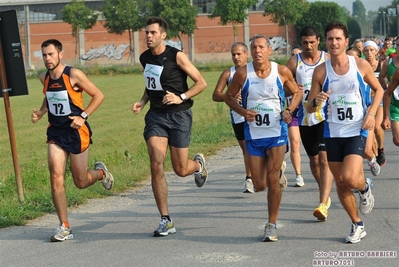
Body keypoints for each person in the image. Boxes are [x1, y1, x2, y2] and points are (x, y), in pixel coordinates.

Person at [307, 21, 383, 244]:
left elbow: (379, 90)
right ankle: (357, 224)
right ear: (326, 42)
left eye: (338, 38)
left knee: (349, 178)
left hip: (356, 129)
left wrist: (370, 114)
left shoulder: (359, 65)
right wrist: (316, 101)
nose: (334, 42)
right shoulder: (321, 71)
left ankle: (365, 186)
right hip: (332, 132)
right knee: (340, 183)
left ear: (346, 41)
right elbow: (309, 106)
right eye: (330, 38)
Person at [131, 17, 208, 237]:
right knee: (156, 164)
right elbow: (150, 84)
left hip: (179, 115)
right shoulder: (144, 57)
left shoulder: (176, 56)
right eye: (146, 32)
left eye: (153, 33)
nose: (148, 36)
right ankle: (165, 219)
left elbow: (201, 83)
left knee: (180, 169)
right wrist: (142, 102)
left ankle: (198, 165)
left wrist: (181, 97)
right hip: (156, 116)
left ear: (163, 35)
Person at [31, 39, 114, 242]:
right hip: (56, 133)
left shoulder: (73, 75)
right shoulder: (44, 78)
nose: (47, 59)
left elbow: (98, 95)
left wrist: (83, 116)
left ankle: (101, 173)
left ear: (60, 54)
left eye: (50, 54)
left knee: (81, 181)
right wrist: (42, 112)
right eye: (44, 55)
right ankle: (64, 226)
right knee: (55, 176)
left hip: (76, 132)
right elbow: (49, 96)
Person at [224, 34, 302, 242]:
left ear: (269, 50)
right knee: (259, 184)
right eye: (254, 48)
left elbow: (297, 92)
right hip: (254, 134)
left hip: (276, 132)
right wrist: (242, 111)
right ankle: (273, 173)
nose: (257, 51)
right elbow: (228, 97)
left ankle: (271, 224)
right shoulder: (243, 74)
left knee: (273, 177)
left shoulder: (281, 71)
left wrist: (290, 110)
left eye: (261, 47)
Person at [286, 26, 334, 221]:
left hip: (325, 115)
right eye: (305, 42)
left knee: (324, 159)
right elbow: (284, 87)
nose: (308, 46)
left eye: (312, 42)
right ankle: (324, 189)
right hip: (304, 118)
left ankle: (323, 203)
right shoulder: (294, 62)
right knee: (313, 161)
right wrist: (292, 89)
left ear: (318, 41)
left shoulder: (327, 59)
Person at [212, 42, 253, 193]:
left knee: (258, 146)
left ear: (246, 54)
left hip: (255, 115)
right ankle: (249, 179)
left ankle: (263, 171)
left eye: (239, 54)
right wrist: (229, 97)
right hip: (237, 116)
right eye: (233, 55)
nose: (236, 57)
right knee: (246, 148)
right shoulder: (228, 74)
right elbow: (215, 95)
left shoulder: (254, 70)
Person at [362, 40, 384, 175]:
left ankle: (381, 150)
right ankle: (373, 156)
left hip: (378, 100)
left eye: (371, 50)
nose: (369, 53)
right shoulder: (361, 66)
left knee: (376, 127)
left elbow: (385, 86)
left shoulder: (382, 65)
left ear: (376, 51)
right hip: (365, 103)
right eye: (366, 50)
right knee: (370, 132)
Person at [286, 45, 305, 187]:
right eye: (292, 54)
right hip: (293, 113)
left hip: (309, 112)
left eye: (297, 55)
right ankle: (298, 175)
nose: (294, 57)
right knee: (294, 143)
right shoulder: (284, 74)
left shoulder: (309, 74)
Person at [381, 68, 399, 146]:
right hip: (396, 107)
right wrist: (385, 117)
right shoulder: (398, 72)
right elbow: (387, 93)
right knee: (397, 140)